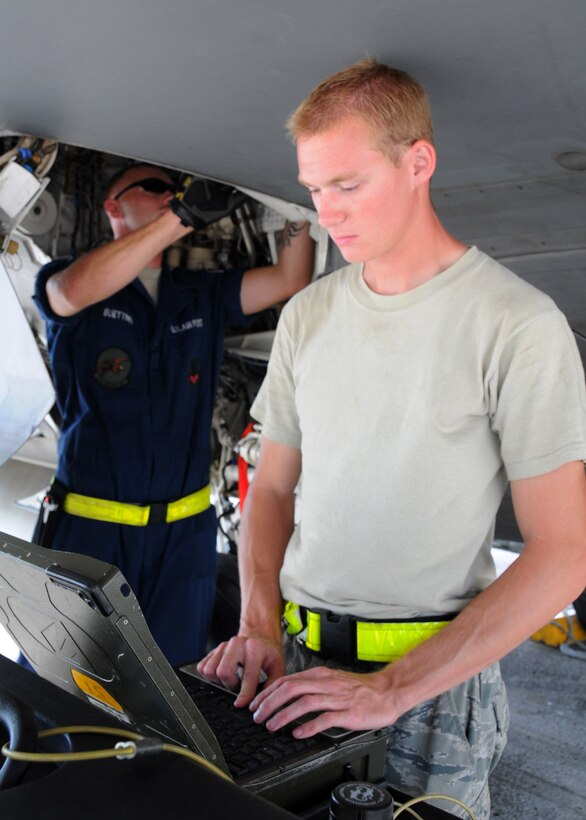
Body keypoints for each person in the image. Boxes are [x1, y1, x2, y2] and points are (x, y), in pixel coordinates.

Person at [197, 60, 586, 818]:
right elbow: (271, 488)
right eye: (313, 189)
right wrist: (256, 620)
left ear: (419, 162)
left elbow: (564, 556)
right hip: (298, 665)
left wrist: (392, 690)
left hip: (431, 690)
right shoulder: (309, 316)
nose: (327, 212)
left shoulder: (518, 325)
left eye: (348, 185)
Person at [33, 162, 314, 666]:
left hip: (182, 540)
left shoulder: (198, 292)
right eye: (155, 188)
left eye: (176, 190)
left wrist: (293, 204)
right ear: (113, 206)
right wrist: (183, 215)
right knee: (65, 685)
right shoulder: (74, 279)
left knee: (177, 687)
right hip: (92, 535)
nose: (170, 195)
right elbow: (68, 294)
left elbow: (290, 278)